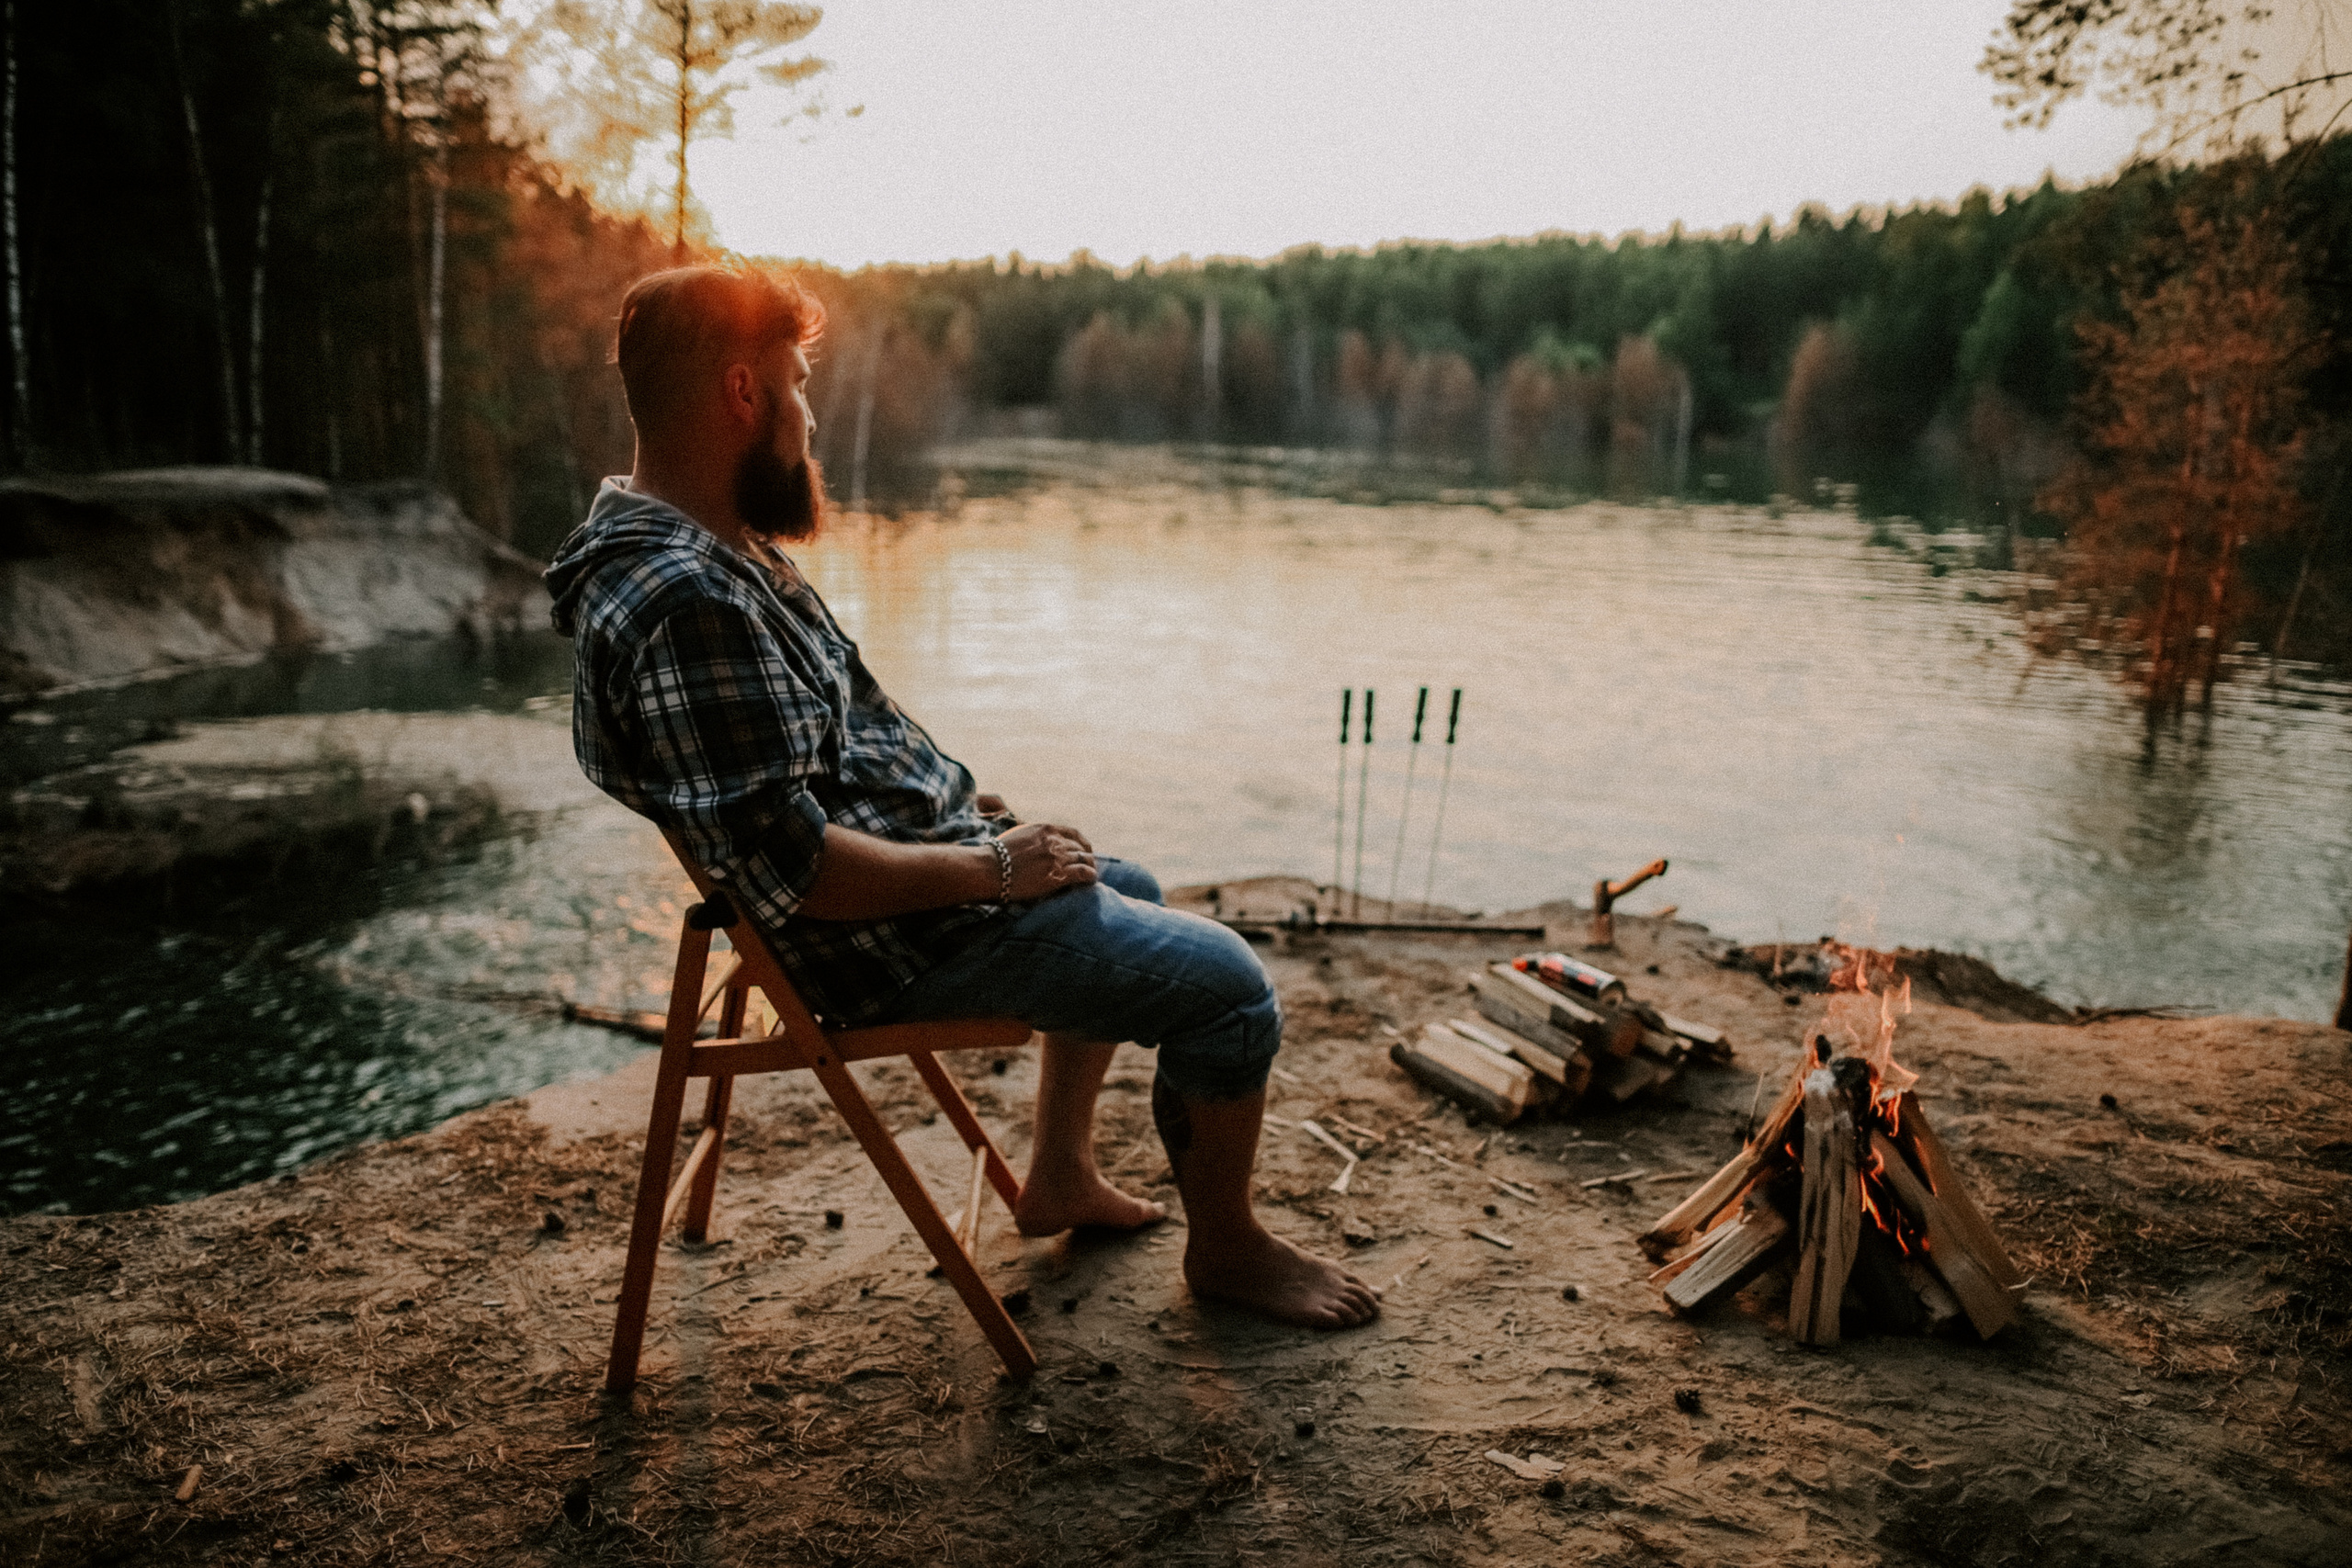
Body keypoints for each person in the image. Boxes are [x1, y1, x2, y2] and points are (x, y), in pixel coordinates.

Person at [543, 263, 1378, 1331]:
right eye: (797, 387)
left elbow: (842, 760)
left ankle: (1059, 1177)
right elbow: (800, 872)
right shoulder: (686, 598)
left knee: (1131, 882)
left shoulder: (705, 547)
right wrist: (992, 867)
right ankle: (1228, 1250)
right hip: (884, 945)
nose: (808, 418)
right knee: (1227, 985)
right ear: (742, 393)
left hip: (908, 894)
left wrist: (978, 820)